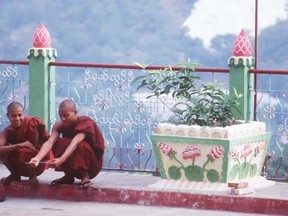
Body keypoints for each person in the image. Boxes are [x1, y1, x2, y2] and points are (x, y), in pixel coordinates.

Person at [29, 99, 104, 188]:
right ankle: (68, 176)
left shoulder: (85, 122)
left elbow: (75, 143)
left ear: (75, 112)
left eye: (66, 115)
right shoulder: (59, 125)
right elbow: (50, 142)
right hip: (71, 160)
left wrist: (61, 159)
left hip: (91, 165)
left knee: (82, 145)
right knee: (59, 142)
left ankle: (85, 175)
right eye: (60, 116)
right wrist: (37, 158)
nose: (63, 119)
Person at [0, 101, 50, 187]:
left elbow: (34, 148)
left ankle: (32, 177)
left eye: (20, 115)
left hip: (36, 164)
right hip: (19, 166)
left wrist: (20, 147)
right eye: (14, 116)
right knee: (7, 151)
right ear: (8, 116)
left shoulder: (32, 123)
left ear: (24, 114)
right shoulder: (7, 131)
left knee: (23, 152)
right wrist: (18, 145)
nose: (17, 118)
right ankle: (14, 175)